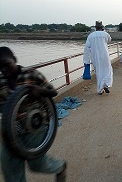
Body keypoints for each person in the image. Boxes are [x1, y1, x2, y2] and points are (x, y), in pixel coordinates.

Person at [0, 46, 67, 182]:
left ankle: (60, 167)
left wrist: (39, 90)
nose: (4, 70)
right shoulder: (1, 82)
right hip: (11, 129)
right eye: (0, 68)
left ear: (14, 59)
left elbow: (53, 92)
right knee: (9, 165)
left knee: (37, 164)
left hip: (35, 127)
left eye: (7, 65)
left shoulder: (32, 75)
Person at [83, 21, 113, 95]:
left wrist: (86, 60)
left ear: (95, 28)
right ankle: (105, 84)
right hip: (105, 55)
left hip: (95, 56)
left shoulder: (91, 35)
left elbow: (87, 47)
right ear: (102, 27)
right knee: (107, 71)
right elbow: (109, 40)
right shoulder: (105, 34)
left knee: (99, 72)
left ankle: (100, 89)